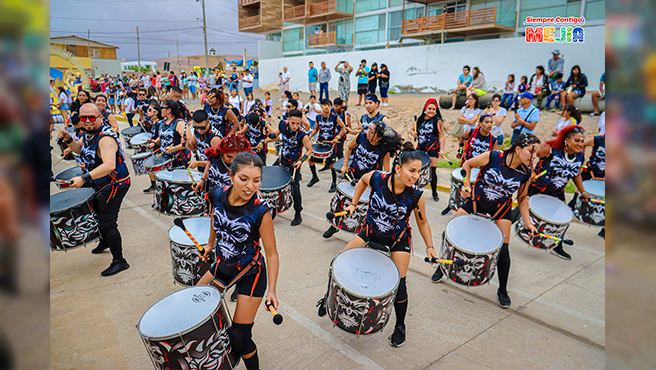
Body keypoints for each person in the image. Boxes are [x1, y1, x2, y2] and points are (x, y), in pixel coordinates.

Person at [320, 142, 437, 348]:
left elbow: (423, 222)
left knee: (399, 285)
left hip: (398, 239)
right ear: (398, 169)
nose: (416, 176)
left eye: (419, 172)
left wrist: (430, 247)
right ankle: (328, 297)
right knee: (337, 263)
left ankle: (400, 326)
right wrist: (354, 204)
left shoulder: (415, 196)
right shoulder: (377, 178)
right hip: (370, 231)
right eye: (412, 171)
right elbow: (362, 181)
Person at [432, 134, 542, 309]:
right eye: (531, 151)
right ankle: (443, 267)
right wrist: (467, 186)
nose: (534, 156)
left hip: (501, 211)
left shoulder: (526, 172)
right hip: (476, 203)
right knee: (451, 233)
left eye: (536, 153)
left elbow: (522, 199)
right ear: (518, 148)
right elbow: (467, 164)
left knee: (504, 250)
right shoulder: (493, 156)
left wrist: (528, 222)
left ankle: (503, 290)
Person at [197, 151, 280, 370]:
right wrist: (209, 244)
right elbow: (216, 216)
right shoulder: (217, 194)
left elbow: (271, 254)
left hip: (251, 273)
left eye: (256, 180)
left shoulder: (261, 212)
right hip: (223, 264)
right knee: (194, 303)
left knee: (240, 337)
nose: (250, 186)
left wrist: (272, 290)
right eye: (243, 179)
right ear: (231, 176)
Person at [57, 103, 131, 277]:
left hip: (114, 184)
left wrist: (84, 178)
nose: (88, 121)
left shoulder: (105, 138)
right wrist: (69, 139)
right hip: (99, 182)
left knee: (107, 222)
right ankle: (105, 241)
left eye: (92, 117)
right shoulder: (88, 133)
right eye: (84, 118)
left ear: (101, 117)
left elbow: (109, 165)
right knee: (96, 214)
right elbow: (79, 150)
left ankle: (120, 261)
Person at [324, 121, 402, 239]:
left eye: (371, 131)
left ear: (379, 137)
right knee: (341, 199)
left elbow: (386, 171)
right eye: (368, 129)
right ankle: (335, 225)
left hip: (368, 182)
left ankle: (363, 235)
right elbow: (349, 147)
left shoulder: (383, 149)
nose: (367, 132)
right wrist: (345, 165)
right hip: (352, 174)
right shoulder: (361, 137)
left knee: (364, 209)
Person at [527, 125, 589, 261]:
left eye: (582, 141)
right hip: (539, 187)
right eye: (576, 141)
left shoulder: (580, 156)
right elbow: (531, 156)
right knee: (522, 211)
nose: (580, 144)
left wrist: (583, 192)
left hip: (557, 191)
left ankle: (557, 245)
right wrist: (531, 172)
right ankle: (503, 234)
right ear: (567, 140)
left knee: (564, 218)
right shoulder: (550, 149)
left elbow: (576, 174)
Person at [263, 109, 314, 226]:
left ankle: (298, 214)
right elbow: (274, 135)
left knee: (295, 189)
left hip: (294, 165)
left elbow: (309, 150)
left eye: (298, 123)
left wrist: (301, 161)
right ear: (288, 120)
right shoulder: (282, 125)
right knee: (270, 182)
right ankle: (273, 209)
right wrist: (266, 134)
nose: (295, 126)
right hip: (282, 160)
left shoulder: (302, 135)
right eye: (293, 123)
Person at [143, 100, 191, 192]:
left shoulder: (179, 123)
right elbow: (162, 137)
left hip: (177, 160)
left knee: (177, 189)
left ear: (169, 110)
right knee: (163, 187)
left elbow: (189, 142)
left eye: (162, 108)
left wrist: (174, 148)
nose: (160, 110)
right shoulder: (162, 123)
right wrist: (154, 142)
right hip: (165, 159)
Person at [307, 99, 346, 192]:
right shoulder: (318, 117)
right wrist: (310, 135)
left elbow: (343, 128)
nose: (326, 107)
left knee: (332, 165)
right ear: (321, 106)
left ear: (330, 106)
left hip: (331, 144)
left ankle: (333, 183)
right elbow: (316, 129)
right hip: (321, 143)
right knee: (311, 161)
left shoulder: (334, 117)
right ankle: (314, 177)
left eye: (328, 105)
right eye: (324, 105)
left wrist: (337, 137)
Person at [411, 98, 445, 202]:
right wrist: (413, 133)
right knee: (417, 170)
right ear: (425, 108)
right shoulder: (420, 119)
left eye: (433, 109)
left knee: (433, 171)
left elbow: (442, 136)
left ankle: (434, 193)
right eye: (429, 108)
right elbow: (412, 129)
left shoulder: (437, 121)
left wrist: (442, 149)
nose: (431, 111)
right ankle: (414, 191)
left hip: (433, 148)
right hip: (420, 148)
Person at [186, 110, 221, 175]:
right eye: (196, 127)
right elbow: (193, 147)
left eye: (202, 128)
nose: (199, 130)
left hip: (214, 172)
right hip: (203, 168)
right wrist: (186, 141)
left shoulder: (215, 138)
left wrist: (198, 163)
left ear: (209, 122)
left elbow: (217, 162)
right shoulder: (196, 131)